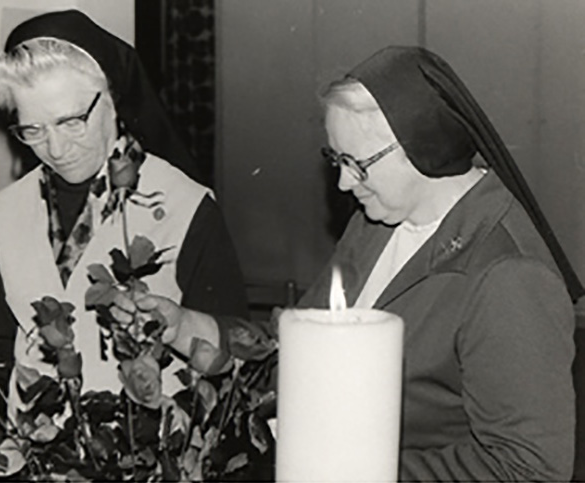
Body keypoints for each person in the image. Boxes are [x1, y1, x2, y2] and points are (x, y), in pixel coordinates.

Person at [112, 46, 584, 481]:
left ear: (422, 146)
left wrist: (356, 467)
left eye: (356, 163)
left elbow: (529, 467)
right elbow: (295, 351)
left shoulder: (508, 275)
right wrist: (183, 327)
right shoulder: (380, 221)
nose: (342, 183)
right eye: (335, 159)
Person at [0, 10, 248, 419]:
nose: (55, 148)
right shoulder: (6, 208)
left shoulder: (185, 204)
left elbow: (236, 346)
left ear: (113, 98)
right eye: (32, 129)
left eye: (71, 121)